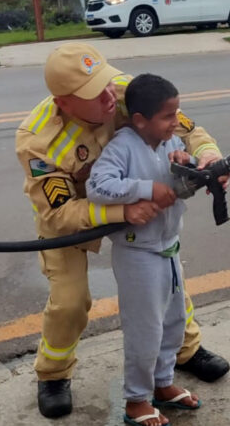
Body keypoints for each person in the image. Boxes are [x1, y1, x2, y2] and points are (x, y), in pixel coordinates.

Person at [15, 43, 230, 419]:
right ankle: (53, 374)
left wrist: (208, 156)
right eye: (91, 94)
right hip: (73, 221)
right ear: (63, 103)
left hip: (137, 215)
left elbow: (185, 128)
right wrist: (123, 210)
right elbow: (59, 214)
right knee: (70, 301)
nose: (107, 96)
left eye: (105, 82)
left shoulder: (123, 92)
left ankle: (185, 352)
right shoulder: (39, 140)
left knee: (169, 285)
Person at [86, 74, 201, 426]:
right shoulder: (123, 146)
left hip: (167, 248)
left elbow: (179, 184)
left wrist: (187, 164)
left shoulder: (168, 143)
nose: (175, 122)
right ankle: (137, 399)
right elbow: (98, 186)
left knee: (174, 322)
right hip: (138, 255)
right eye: (168, 116)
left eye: (177, 113)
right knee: (145, 330)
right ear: (140, 120)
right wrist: (146, 188)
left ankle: (163, 383)